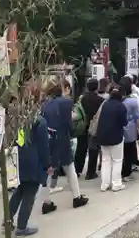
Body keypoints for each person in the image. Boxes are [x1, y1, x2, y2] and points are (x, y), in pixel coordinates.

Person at [40, 82, 89, 214]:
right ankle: (76, 197)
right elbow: (69, 123)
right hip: (62, 139)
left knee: (49, 171)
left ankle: (46, 202)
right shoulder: (66, 102)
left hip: (49, 140)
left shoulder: (44, 105)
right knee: (70, 168)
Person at [10, 112, 51, 236]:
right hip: (35, 161)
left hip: (21, 158)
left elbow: (18, 141)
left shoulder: (21, 120)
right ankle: (22, 227)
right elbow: (44, 147)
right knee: (30, 194)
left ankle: (8, 219)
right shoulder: (40, 122)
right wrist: (47, 164)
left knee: (20, 190)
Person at [95, 87, 128, 191]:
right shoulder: (121, 106)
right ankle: (116, 183)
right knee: (117, 160)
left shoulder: (105, 104)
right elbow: (124, 122)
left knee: (105, 160)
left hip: (102, 137)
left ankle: (104, 184)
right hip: (116, 137)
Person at [74, 78, 104, 180]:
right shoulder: (100, 100)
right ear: (97, 87)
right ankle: (90, 172)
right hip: (94, 127)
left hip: (83, 125)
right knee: (93, 148)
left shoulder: (82, 98)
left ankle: (77, 170)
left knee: (81, 148)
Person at [119, 76, 139, 181]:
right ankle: (126, 174)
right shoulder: (133, 101)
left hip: (118, 129)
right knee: (129, 152)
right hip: (130, 129)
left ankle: (118, 172)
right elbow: (138, 117)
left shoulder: (116, 100)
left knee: (119, 153)